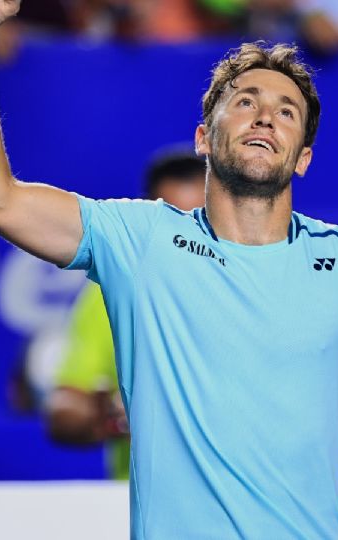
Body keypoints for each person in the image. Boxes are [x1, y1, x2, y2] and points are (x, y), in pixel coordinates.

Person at [0, 0, 338, 536]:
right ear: (204, 138)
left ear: (303, 157)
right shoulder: (139, 240)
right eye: (245, 101)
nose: (266, 115)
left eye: (287, 111)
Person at [44, 149, 206, 481]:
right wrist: (112, 416)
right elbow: (66, 407)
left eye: (201, 221)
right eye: (172, 221)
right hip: (146, 517)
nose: (186, 239)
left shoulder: (263, 284)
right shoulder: (109, 294)